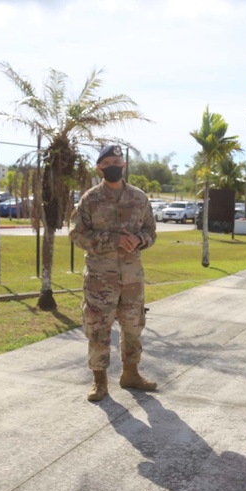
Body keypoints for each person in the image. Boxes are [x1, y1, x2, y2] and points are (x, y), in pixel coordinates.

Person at [69, 144, 157, 402]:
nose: (113, 167)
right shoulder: (90, 199)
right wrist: (113, 240)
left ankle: (131, 374)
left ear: (124, 165)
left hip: (132, 279)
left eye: (116, 162)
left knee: (133, 328)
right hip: (100, 279)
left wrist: (139, 240)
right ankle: (99, 382)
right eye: (107, 164)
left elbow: (151, 232)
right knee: (98, 328)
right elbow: (77, 234)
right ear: (99, 168)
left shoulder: (140, 198)